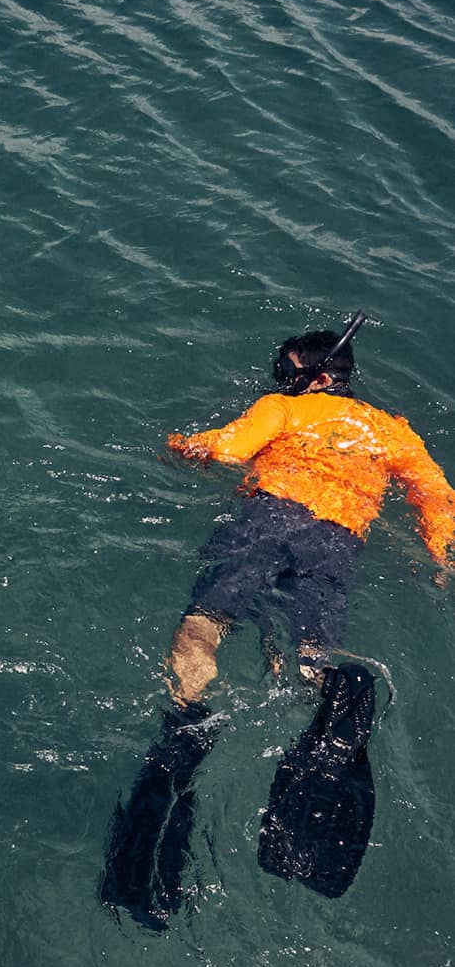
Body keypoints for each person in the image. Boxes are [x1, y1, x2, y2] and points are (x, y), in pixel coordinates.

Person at [103, 319, 455, 926]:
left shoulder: (283, 411)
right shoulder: (394, 432)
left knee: (203, 626)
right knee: (312, 654)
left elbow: (228, 449)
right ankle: (336, 689)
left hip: (268, 520)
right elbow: (435, 495)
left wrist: (180, 445)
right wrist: (440, 554)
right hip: (339, 541)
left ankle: (187, 717)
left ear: (317, 377)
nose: (280, 380)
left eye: (288, 371)